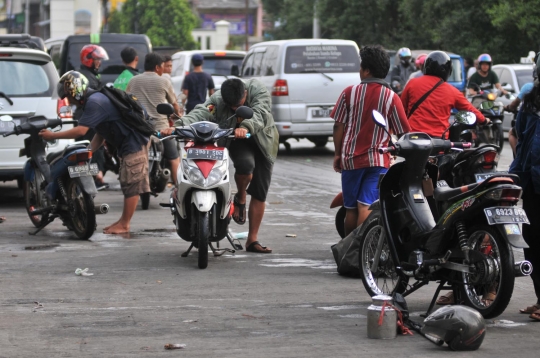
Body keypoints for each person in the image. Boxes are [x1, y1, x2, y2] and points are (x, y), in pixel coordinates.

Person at [160, 78, 279, 254]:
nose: (233, 109)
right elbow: (201, 111)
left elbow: (260, 112)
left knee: (260, 192)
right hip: (237, 140)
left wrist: (245, 127)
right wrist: (178, 126)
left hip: (263, 141)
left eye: (237, 106)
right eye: (230, 106)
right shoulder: (218, 98)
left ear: (245, 94)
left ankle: (252, 240)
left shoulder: (258, 90)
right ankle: (240, 196)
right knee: (245, 166)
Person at [39, 71, 150, 234]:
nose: (69, 100)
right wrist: (89, 151)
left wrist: (52, 135)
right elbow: (101, 132)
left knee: (132, 183)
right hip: (128, 143)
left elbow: (81, 131)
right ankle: (122, 221)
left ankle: (125, 224)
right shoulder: (94, 101)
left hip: (134, 142)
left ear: (75, 91)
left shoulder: (95, 102)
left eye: (68, 96)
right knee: (127, 181)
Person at [332, 45, 411, 236]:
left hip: (351, 160)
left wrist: (337, 154)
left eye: (361, 67)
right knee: (366, 205)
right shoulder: (391, 97)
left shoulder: (349, 93)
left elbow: (338, 126)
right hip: (379, 161)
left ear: (366, 70)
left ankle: (349, 249)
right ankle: (363, 251)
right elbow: (404, 132)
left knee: (350, 209)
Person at [509, 56, 540, 321]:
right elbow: (521, 141)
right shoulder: (530, 103)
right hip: (531, 184)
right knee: (531, 242)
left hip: (533, 183)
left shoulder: (530, 102)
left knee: (535, 242)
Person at [401, 51, 488, 139]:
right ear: (448, 70)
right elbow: (470, 109)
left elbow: (401, 109)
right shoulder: (453, 91)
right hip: (438, 140)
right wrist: (484, 120)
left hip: (412, 138)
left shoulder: (412, 83)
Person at [126, 52, 181, 183]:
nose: (163, 69)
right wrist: (178, 116)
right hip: (161, 129)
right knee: (174, 158)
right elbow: (174, 105)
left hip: (139, 128)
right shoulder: (164, 81)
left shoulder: (133, 80)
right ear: (157, 67)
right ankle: (178, 190)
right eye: (163, 66)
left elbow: (127, 101)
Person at [77, 44, 109, 189]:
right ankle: (94, 179)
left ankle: (94, 177)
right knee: (91, 147)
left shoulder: (86, 75)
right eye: (97, 59)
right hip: (89, 117)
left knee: (90, 147)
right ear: (88, 59)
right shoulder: (87, 78)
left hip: (88, 116)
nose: (99, 62)